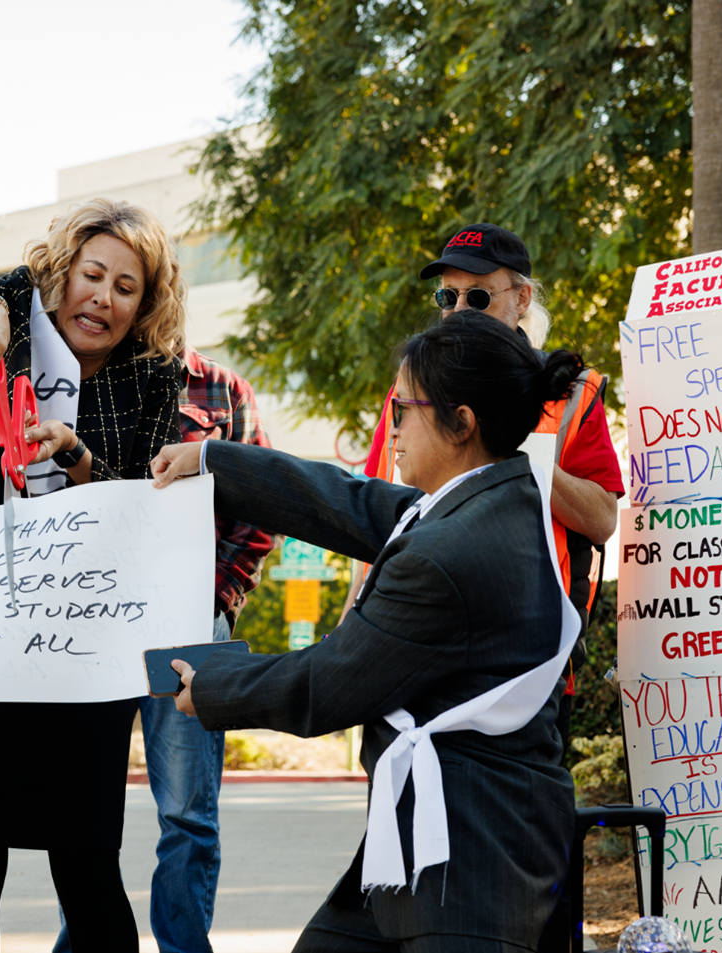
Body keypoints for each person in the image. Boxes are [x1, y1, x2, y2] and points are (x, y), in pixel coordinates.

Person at [151, 312, 584, 953]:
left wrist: (209, 682)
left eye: (405, 407)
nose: (394, 425)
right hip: (433, 837)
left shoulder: (450, 551)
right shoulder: (490, 496)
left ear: (461, 423)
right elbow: (344, 499)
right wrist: (213, 457)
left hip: (467, 858)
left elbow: (330, 682)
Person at [0, 197, 186, 953]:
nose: (104, 297)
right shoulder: (14, 308)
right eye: (93, 274)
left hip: (76, 641)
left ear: (144, 303)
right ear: (64, 273)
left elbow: (150, 504)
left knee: (87, 865)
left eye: (127, 287)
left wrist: (81, 461)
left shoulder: (155, 375)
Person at [55, 347, 276, 953]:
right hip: (92, 625)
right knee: (84, 812)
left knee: (187, 812)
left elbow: (260, 509)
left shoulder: (223, 390)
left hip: (192, 629)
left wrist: (209, 601)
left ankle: (183, 949)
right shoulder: (80, 379)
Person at [349, 224, 622, 639]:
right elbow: (373, 519)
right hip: (406, 634)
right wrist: (349, 623)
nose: (459, 311)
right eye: (447, 296)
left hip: (526, 650)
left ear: (522, 299)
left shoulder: (571, 391)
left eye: (477, 297)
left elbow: (602, 519)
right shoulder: (407, 388)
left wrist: (513, 443)